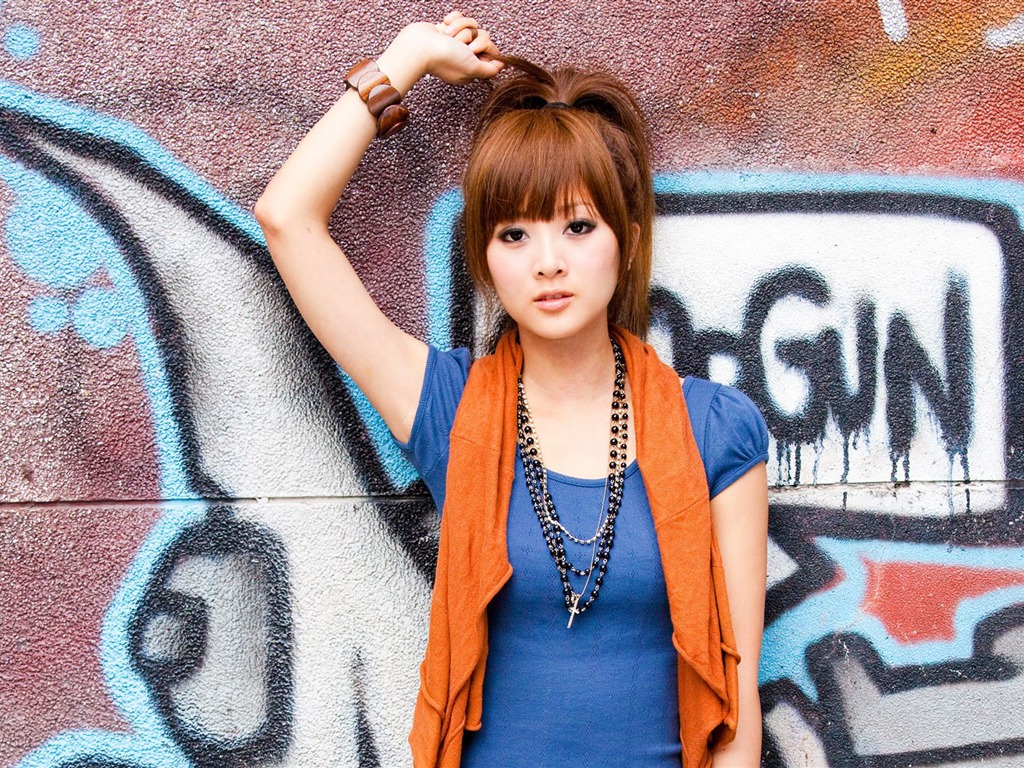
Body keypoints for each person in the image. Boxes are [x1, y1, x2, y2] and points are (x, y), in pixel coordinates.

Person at [254, 12, 769, 768]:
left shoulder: (716, 430)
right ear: (485, 257)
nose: (547, 262)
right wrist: (406, 59)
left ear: (627, 238)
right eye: (514, 234)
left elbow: (737, 706)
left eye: (578, 227)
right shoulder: (452, 410)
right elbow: (287, 218)